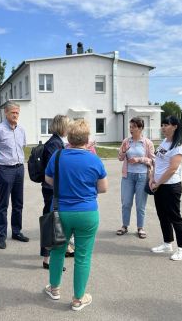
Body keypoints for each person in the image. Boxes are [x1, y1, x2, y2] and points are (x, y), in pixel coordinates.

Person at [43, 120, 108, 311]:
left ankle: (54, 289)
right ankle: (78, 299)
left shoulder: (58, 155)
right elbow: (103, 188)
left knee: (57, 251)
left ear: (68, 137)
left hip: (61, 211)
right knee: (83, 256)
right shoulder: (94, 159)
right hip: (87, 213)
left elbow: (48, 179)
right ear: (87, 139)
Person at [0, 102, 29, 249]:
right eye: (13, 112)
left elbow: (21, 148)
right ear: (6, 113)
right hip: (5, 169)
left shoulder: (21, 130)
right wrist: (0, 165)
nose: (15, 115)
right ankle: (2, 236)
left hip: (19, 169)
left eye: (17, 113)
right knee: (3, 204)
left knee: (18, 203)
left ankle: (16, 231)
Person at [149, 115, 182, 261]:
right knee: (162, 216)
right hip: (158, 185)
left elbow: (172, 169)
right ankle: (167, 243)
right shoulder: (164, 142)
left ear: (175, 127)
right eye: (162, 125)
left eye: (166, 125)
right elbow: (156, 162)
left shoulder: (177, 146)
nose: (163, 127)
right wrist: (152, 178)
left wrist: (158, 183)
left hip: (171, 186)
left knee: (175, 217)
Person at [116, 117, 155, 238]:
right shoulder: (126, 141)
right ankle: (124, 226)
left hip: (142, 176)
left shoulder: (147, 143)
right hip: (128, 176)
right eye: (130, 126)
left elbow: (153, 160)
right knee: (126, 202)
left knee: (140, 204)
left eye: (133, 127)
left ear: (140, 128)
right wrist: (123, 150)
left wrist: (140, 159)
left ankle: (140, 227)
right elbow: (120, 158)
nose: (131, 129)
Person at [41, 115, 70, 271]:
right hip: (51, 189)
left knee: (55, 222)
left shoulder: (58, 142)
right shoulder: (54, 144)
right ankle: (47, 259)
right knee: (51, 223)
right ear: (61, 126)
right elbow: (56, 168)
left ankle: (62, 250)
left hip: (54, 188)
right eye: (68, 125)